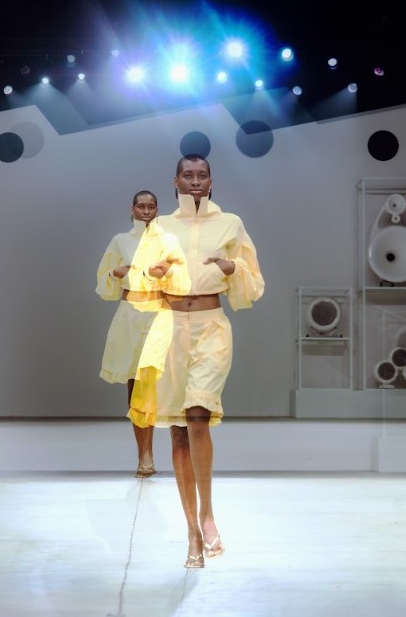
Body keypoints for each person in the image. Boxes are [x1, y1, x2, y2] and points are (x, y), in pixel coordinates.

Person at [129, 155, 264, 567]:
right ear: (175, 181)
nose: (195, 181)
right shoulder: (160, 227)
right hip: (170, 326)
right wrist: (151, 273)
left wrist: (233, 267)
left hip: (211, 326)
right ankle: (191, 531)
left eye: (202, 175)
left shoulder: (230, 224)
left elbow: (253, 283)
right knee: (178, 432)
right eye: (187, 175)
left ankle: (208, 514)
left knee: (199, 416)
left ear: (211, 181)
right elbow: (138, 280)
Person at [96, 190, 189, 477]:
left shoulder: (169, 241)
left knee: (165, 384)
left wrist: (166, 273)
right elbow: (103, 283)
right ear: (132, 209)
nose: (146, 211)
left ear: (157, 209)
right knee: (136, 384)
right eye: (141, 206)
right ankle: (144, 454)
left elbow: (183, 279)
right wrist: (115, 273)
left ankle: (180, 453)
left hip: (160, 312)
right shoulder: (120, 241)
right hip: (130, 316)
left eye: (151, 206)